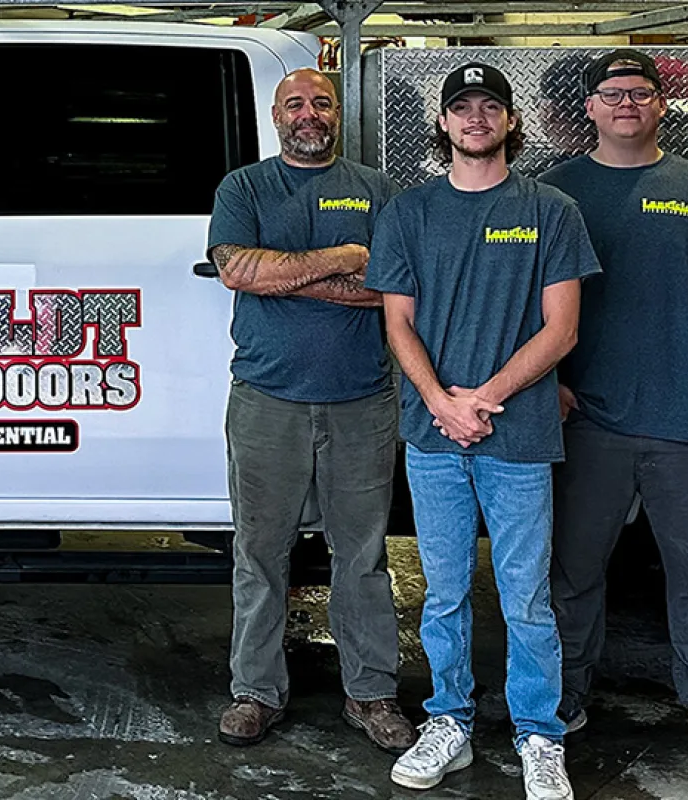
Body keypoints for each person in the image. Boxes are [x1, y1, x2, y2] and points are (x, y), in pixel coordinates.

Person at [366, 61, 598, 800]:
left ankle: (539, 734)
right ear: (442, 123)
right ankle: (450, 722)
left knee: (526, 594)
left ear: (510, 122)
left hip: (517, 434)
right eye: (461, 108)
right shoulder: (409, 212)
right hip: (434, 434)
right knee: (442, 593)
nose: (475, 118)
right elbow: (395, 319)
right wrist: (439, 400)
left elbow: (562, 329)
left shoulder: (551, 209)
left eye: (489, 107)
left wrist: (485, 399)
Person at [536, 49, 688, 774]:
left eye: (639, 92)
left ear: (661, 105)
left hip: (686, 424)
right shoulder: (553, 192)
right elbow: (527, 306)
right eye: (611, 93)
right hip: (586, 423)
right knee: (571, 577)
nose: (626, 103)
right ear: (590, 108)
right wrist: (551, 387)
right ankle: (561, 702)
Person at [205, 68, 415, 754]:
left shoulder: (377, 190)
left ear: (337, 113)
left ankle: (372, 691)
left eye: (320, 102)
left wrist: (288, 276)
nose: (309, 113)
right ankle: (256, 692)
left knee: (361, 555)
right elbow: (237, 270)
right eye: (295, 103)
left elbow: (391, 290)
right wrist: (343, 259)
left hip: (362, 401)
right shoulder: (245, 187)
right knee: (260, 553)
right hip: (267, 400)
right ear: (276, 114)